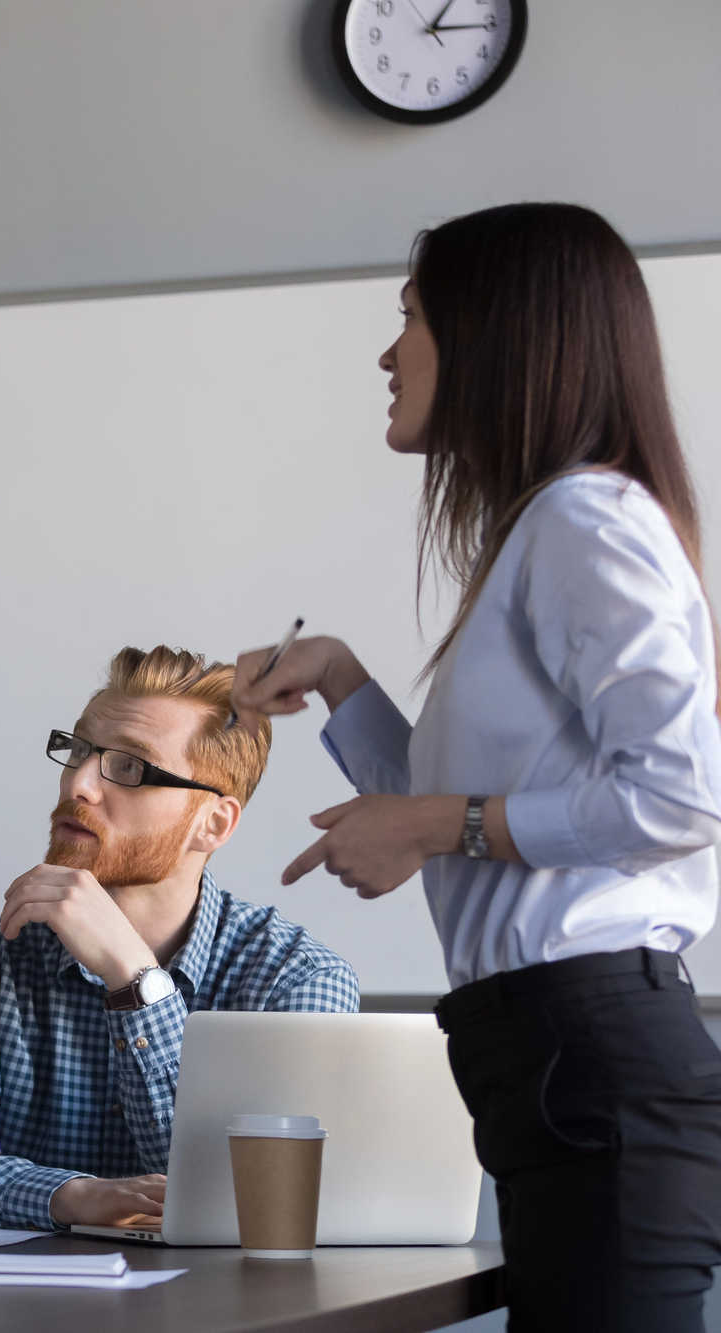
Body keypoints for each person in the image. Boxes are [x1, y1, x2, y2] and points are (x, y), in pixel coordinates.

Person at [233, 203, 721, 1332]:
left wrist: (433, 825)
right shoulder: (540, 532)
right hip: (542, 1052)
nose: (385, 351)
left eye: (409, 318)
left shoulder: (584, 522)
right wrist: (344, 683)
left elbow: (680, 794)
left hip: (585, 1048)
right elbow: (471, 806)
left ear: (499, 333)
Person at [0, 646, 358, 1231]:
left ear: (213, 823)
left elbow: (258, 1205)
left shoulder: (296, 980)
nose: (78, 784)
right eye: (79, 750)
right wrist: (76, 1197)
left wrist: (135, 980)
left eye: (130, 768)